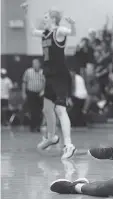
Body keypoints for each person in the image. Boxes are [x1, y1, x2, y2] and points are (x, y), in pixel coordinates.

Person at [21, 2, 76, 159]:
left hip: (60, 76)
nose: (43, 19)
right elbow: (32, 31)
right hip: (50, 76)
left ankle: (69, 145)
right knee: (46, 109)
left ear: (53, 18)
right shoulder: (45, 33)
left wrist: (72, 24)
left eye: (46, 17)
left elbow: (71, 32)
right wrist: (26, 14)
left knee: (60, 110)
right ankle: (52, 137)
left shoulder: (59, 31)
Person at [22, 59, 45, 132]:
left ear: (39, 64)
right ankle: (33, 126)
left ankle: (38, 126)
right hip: (31, 92)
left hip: (40, 93)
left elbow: (46, 83)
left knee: (40, 110)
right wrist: (23, 93)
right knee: (32, 110)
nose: (34, 65)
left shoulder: (43, 72)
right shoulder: (28, 71)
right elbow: (24, 82)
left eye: (36, 63)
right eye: (33, 63)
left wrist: (43, 91)